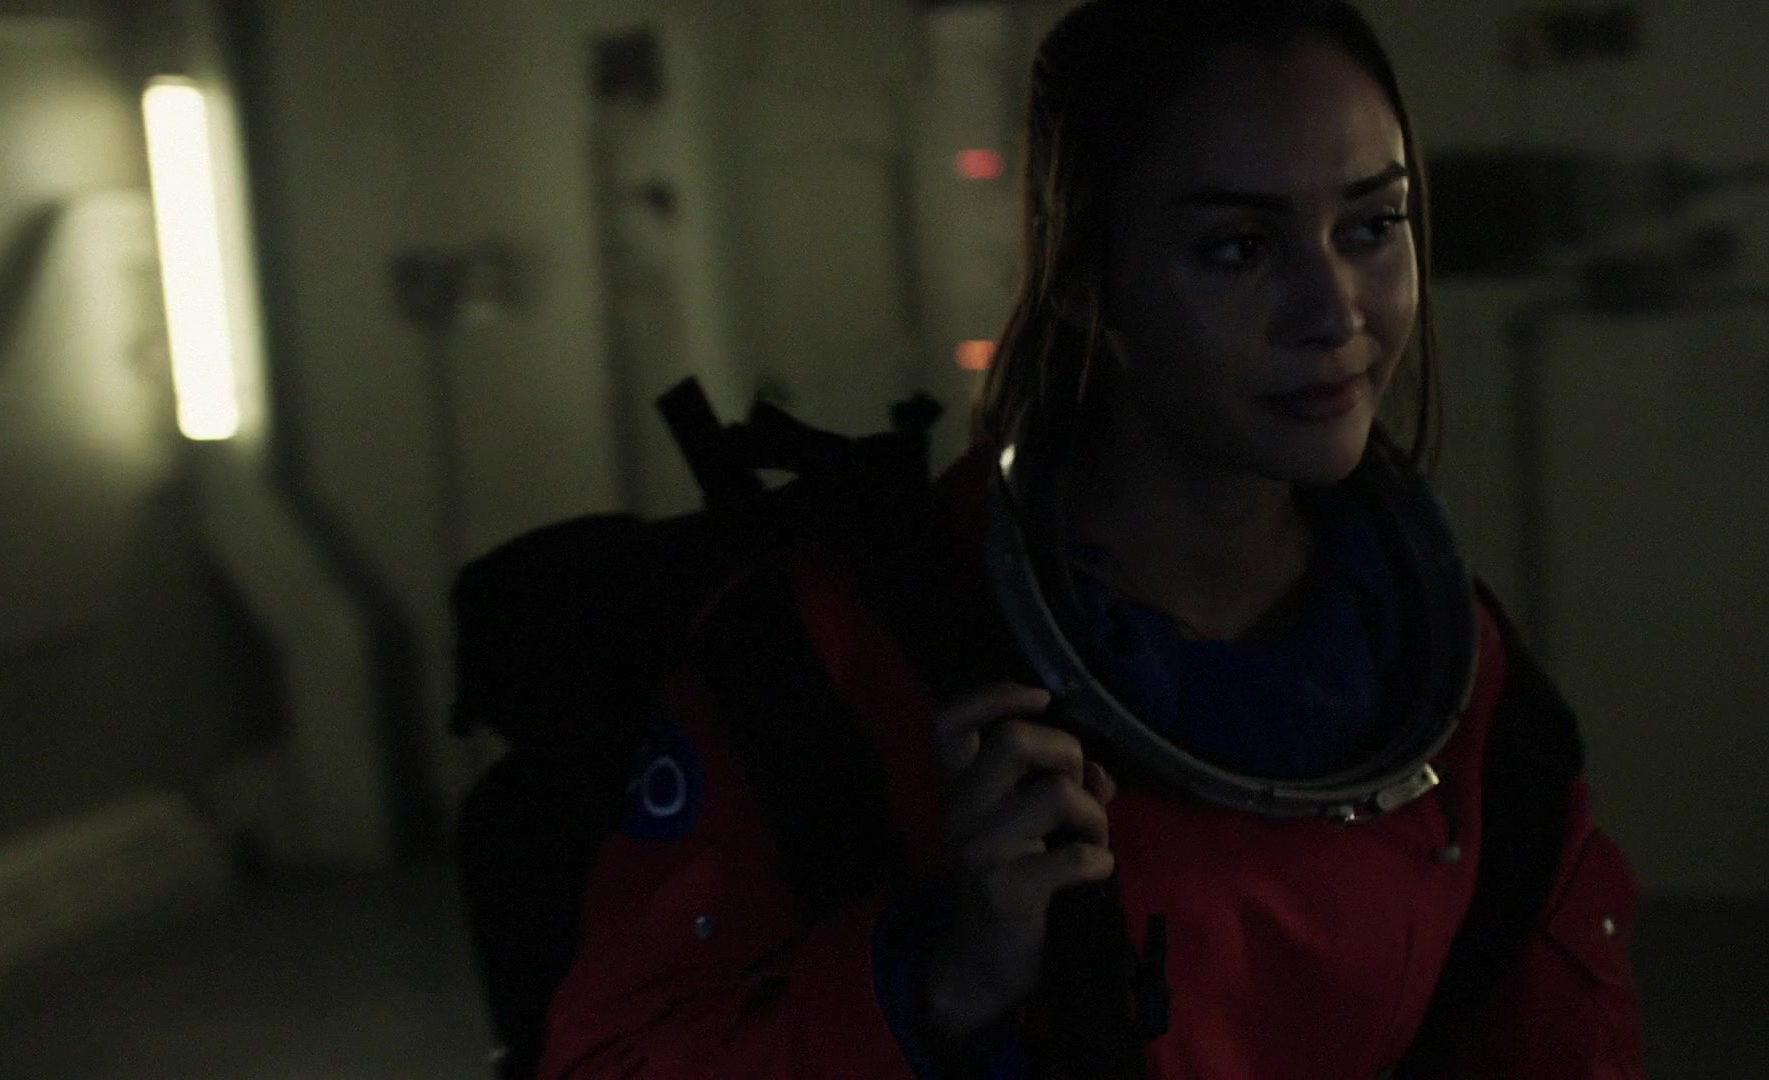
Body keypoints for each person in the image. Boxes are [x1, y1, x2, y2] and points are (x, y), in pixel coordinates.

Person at [535, 2, 1644, 1077]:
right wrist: (938, 980)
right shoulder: (830, 663)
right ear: (1080, 280)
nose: (1334, 308)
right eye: (1238, 247)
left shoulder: (1456, 680)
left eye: (1373, 225)